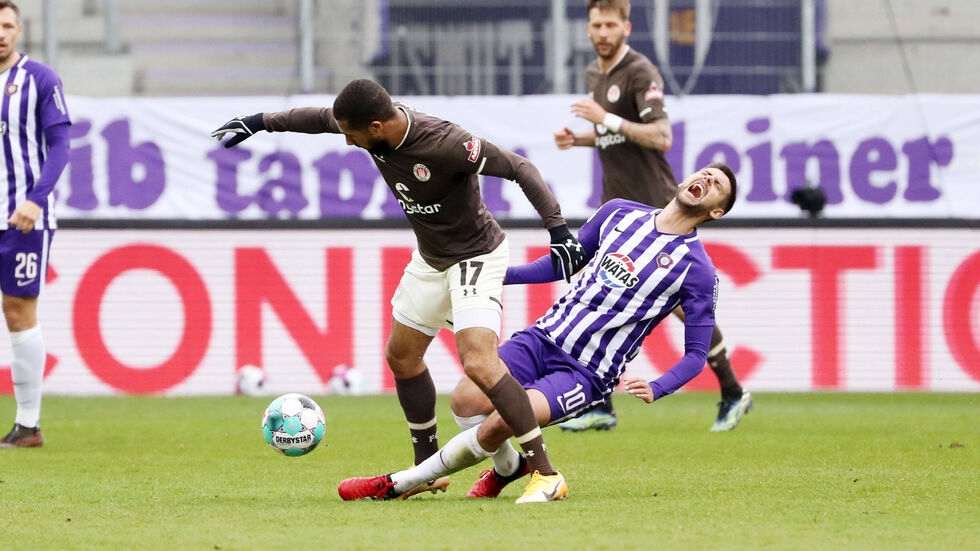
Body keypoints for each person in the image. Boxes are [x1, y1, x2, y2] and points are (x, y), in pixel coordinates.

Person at [211, 79, 587, 498]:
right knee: (402, 356)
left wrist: (558, 230)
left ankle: (545, 472)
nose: (349, 142)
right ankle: (427, 469)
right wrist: (259, 121)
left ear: (375, 127)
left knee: (479, 362)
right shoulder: (369, 126)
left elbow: (520, 168)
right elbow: (316, 119)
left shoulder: (445, 143)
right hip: (431, 258)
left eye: (352, 135)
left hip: (477, 255)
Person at [338, 163, 737, 503]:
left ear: (716, 211)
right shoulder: (619, 213)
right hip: (541, 339)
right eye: (705, 172)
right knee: (465, 401)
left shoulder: (698, 270)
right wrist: (500, 276)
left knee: (502, 422)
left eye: (717, 184)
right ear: (685, 181)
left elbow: (697, 353)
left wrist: (659, 386)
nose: (707, 178)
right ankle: (510, 466)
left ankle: (402, 482)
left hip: (587, 371)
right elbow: (564, 263)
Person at [553, 0, 752, 432]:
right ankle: (598, 403)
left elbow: (661, 137)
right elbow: (615, 135)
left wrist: (605, 118)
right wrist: (582, 138)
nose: (603, 32)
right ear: (587, 28)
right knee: (592, 293)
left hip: (655, 207)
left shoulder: (641, 72)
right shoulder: (595, 73)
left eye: (611, 25)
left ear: (626, 28)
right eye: (596, 25)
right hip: (617, 207)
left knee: (681, 308)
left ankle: (733, 391)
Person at [0, 0, 72, 448]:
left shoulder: (40, 79)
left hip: (21, 217)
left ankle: (28, 424)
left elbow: (60, 144)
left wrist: (35, 199)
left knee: (18, 310)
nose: (0, 33)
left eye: (7, 26)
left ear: (19, 30)